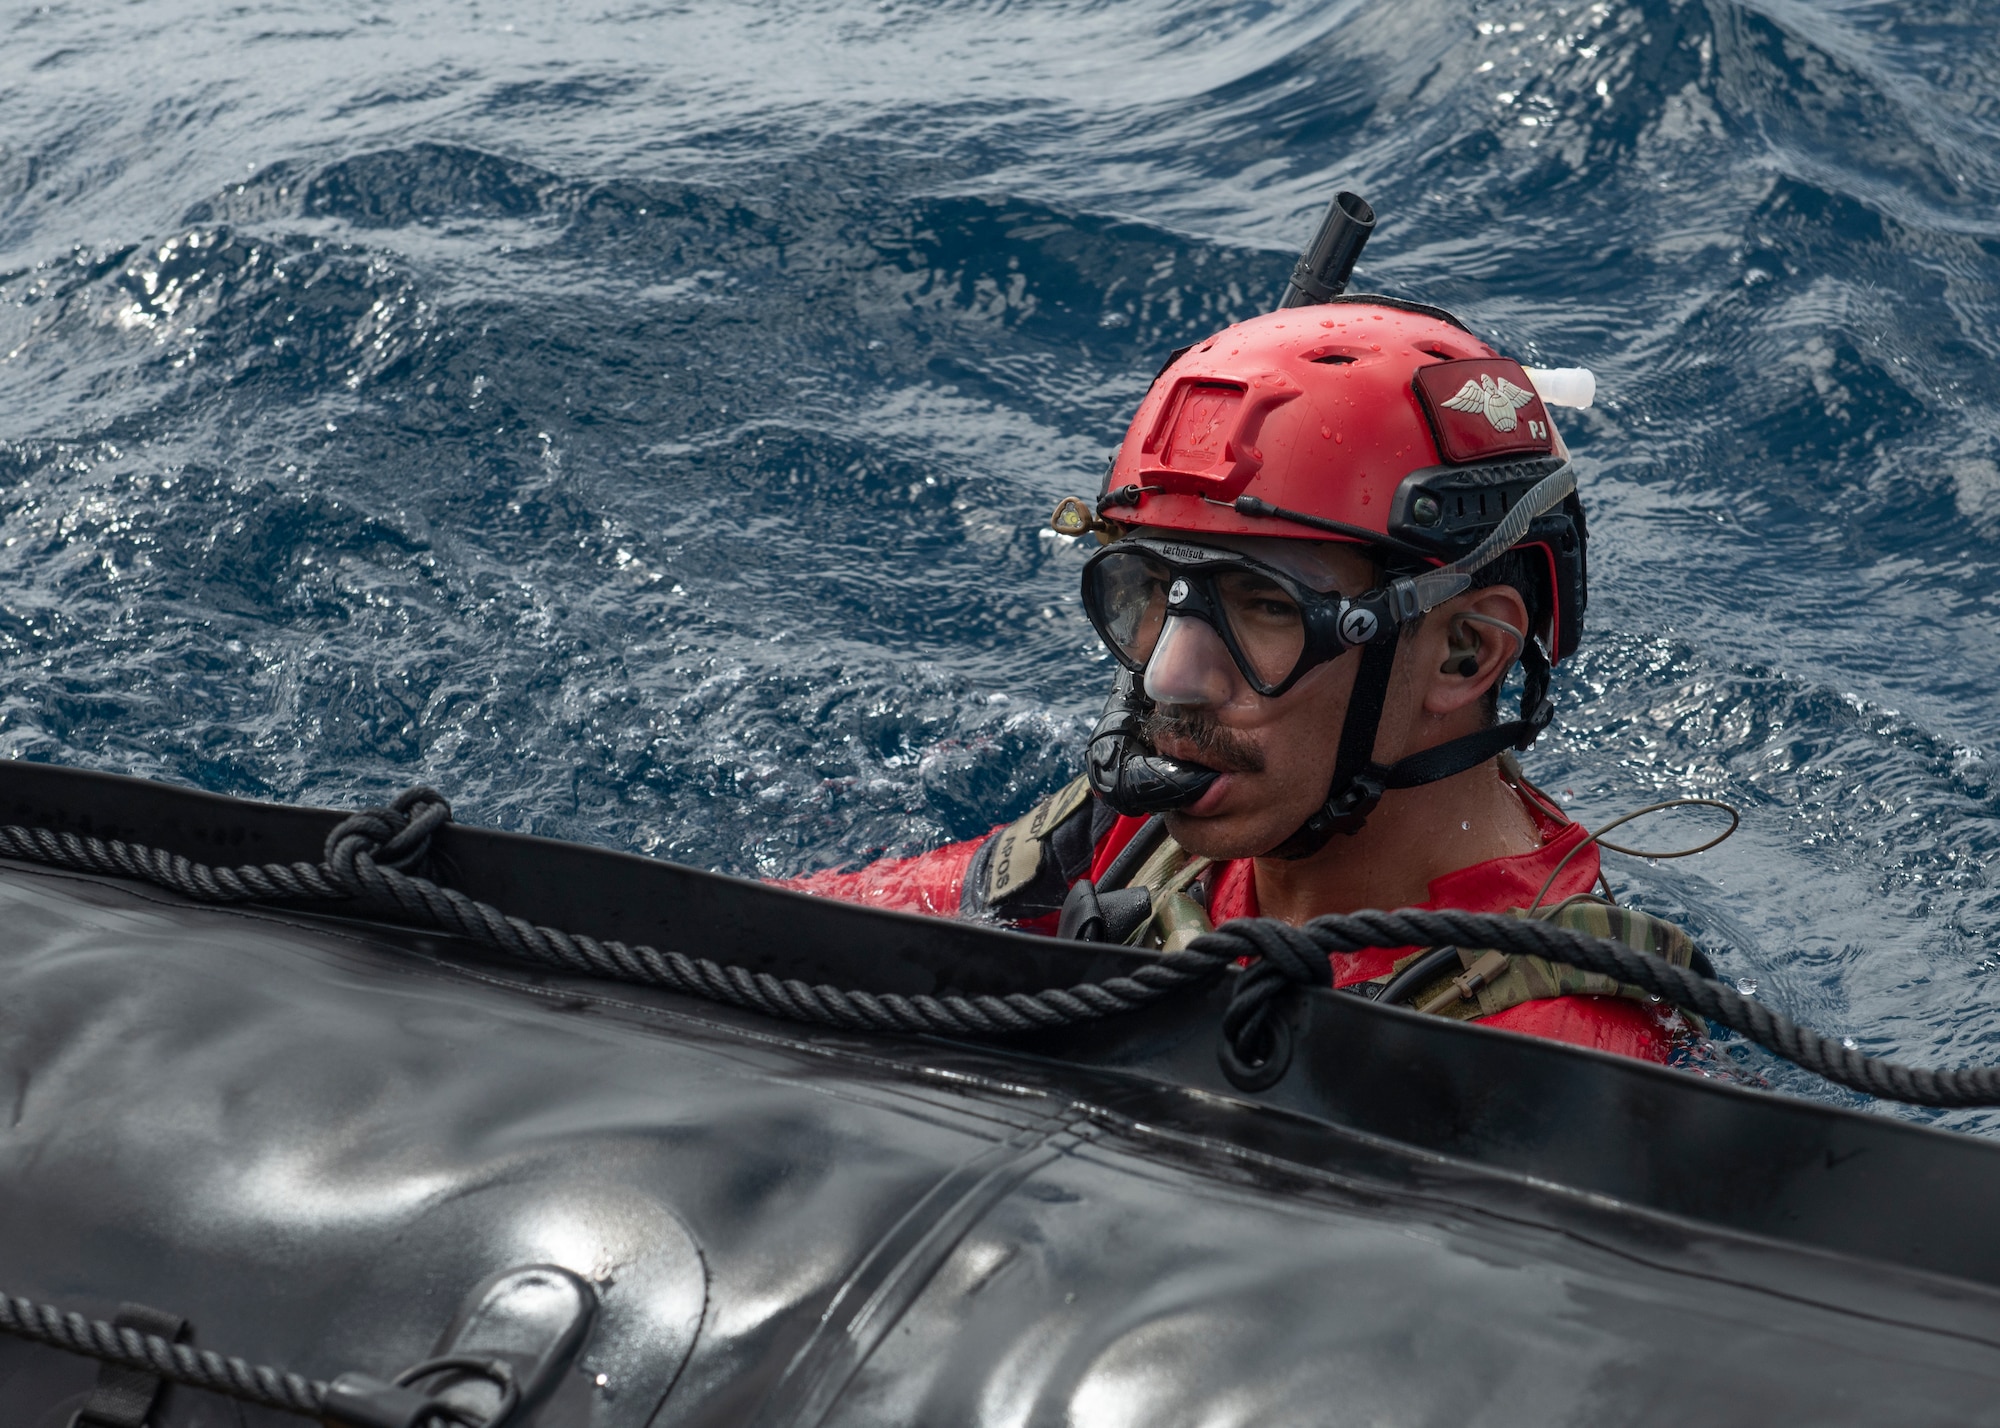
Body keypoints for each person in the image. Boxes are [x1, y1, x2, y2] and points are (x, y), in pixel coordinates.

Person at [788, 295, 1705, 1063]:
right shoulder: (1137, 835)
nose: (1171, 676)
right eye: (1150, 591)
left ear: (1465, 655)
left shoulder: (1550, 1047)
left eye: (1264, 606)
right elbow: (807, 934)